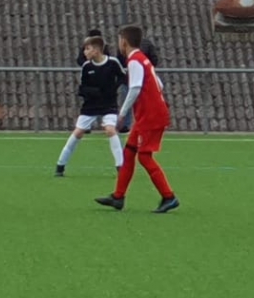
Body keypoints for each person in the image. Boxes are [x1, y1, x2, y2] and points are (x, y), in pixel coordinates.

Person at [96, 25, 178, 213]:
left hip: (151, 117)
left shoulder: (134, 61)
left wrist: (122, 114)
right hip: (148, 115)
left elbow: (134, 88)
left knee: (144, 156)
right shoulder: (142, 59)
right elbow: (159, 84)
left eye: (119, 40)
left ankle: (169, 196)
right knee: (129, 152)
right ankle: (118, 197)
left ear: (124, 42)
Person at [56, 35, 125, 177]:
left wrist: (112, 89)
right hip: (90, 106)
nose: (84, 52)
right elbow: (82, 88)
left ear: (97, 50)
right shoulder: (87, 67)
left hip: (109, 105)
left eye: (87, 49)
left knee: (110, 130)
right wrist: (92, 92)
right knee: (78, 132)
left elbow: (123, 77)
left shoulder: (113, 63)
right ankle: (60, 165)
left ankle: (121, 167)